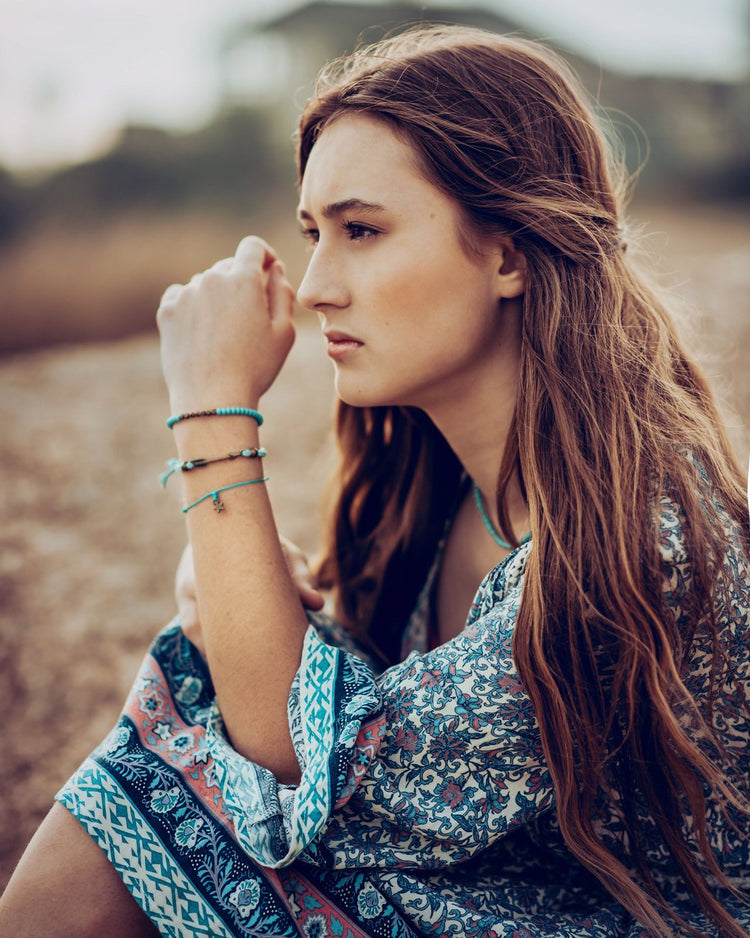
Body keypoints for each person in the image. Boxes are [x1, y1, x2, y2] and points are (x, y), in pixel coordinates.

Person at [1, 24, 749, 938]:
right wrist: (244, 593)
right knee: (193, 704)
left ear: (509, 254)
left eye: (362, 230)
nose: (316, 284)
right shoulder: (438, 477)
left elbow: (309, 770)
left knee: (180, 764)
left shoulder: (631, 540)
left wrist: (210, 410)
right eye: (314, 233)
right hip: (501, 896)